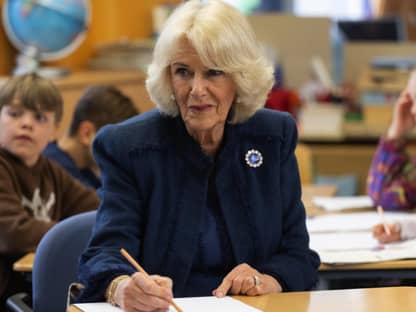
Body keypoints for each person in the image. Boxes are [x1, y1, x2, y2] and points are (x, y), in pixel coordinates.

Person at [77, 1, 320, 310]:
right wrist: (122, 287)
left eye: (213, 73)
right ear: (168, 77)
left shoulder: (273, 137)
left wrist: (267, 279)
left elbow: (298, 254)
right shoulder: (127, 146)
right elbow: (103, 255)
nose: (196, 89)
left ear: (240, 77)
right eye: (183, 72)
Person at [0, 73, 99, 308]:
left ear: (54, 130)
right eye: (15, 114)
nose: (26, 123)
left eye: (39, 117)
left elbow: (96, 210)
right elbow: (13, 234)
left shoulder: (50, 170)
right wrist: (64, 236)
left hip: (30, 290)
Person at [43, 85, 139, 189]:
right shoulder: (55, 171)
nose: (121, 158)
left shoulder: (84, 172)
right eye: (118, 146)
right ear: (87, 134)